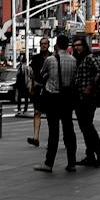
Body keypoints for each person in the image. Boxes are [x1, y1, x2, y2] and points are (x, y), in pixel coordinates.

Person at [33, 34, 81, 173]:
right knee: (69, 131)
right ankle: (71, 162)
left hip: (53, 98)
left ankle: (49, 163)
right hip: (67, 99)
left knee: (53, 131)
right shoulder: (73, 60)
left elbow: (42, 75)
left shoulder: (50, 60)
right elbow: (74, 79)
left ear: (57, 45)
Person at [73, 41, 100, 166]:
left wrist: (90, 86)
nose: (77, 48)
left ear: (84, 46)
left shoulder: (89, 57)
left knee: (88, 127)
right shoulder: (78, 59)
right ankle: (90, 155)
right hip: (80, 98)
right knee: (85, 128)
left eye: (79, 45)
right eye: (75, 45)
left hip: (88, 98)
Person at [26, 36, 53, 144]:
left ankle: (52, 139)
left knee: (51, 115)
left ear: (48, 45)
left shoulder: (52, 57)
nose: (43, 45)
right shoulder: (36, 58)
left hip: (50, 88)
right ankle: (36, 137)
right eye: (41, 44)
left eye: (45, 43)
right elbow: (32, 74)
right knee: (37, 112)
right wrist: (31, 86)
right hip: (38, 87)